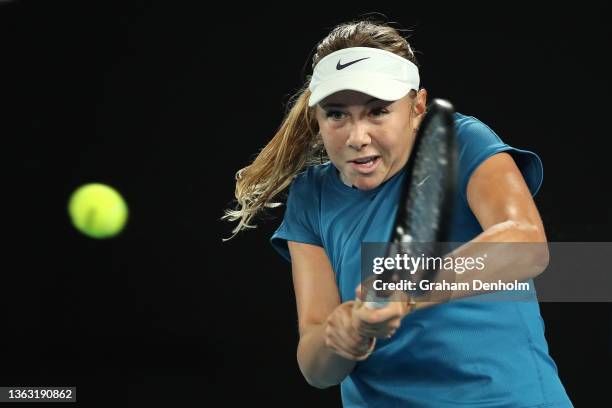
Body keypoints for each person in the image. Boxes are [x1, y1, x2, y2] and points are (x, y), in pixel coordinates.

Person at [222, 19, 573, 407]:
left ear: (417, 107)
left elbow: (526, 244)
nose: (357, 137)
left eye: (378, 111)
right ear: (317, 117)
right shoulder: (312, 195)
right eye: (337, 114)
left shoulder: (457, 142)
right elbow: (316, 369)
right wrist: (345, 332)